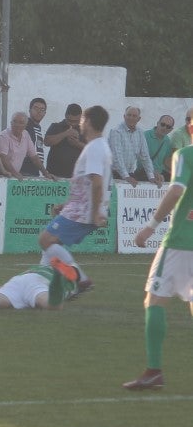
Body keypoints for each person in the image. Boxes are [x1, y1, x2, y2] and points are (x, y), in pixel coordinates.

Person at [125, 108, 193, 390]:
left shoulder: (186, 154)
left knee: (155, 300)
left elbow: (176, 190)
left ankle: (154, 370)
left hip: (181, 242)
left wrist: (150, 226)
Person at [37, 105, 112, 296]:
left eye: (82, 120)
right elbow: (86, 184)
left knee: (45, 239)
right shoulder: (97, 146)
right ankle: (42, 282)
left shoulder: (95, 147)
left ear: (88, 122)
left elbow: (97, 183)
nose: (80, 124)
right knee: (53, 244)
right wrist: (67, 205)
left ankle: (80, 279)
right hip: (80, 208)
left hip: (84, 211)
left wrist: (94, 213)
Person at [109, 105, 161, 187]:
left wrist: (151, 176)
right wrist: (126, 176)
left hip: (130, 174)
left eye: (134, 116)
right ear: (124, 116)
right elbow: (117, 156)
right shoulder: (116, 131)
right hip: (114, 174)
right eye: (129, 115)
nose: (131, 118)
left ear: (138, 119)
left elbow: (145, 156)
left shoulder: (140, 132)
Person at [0, 112, 51, 179]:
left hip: (13, 176)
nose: (17, 125)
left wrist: (45, 173)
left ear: (25, 125)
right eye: (14, 121)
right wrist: (15, 174)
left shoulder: (26, 134)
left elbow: (34, 157)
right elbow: (3, 157)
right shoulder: (4, 135)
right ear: (11, 123)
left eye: (21, 122)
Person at [44, 103, 84, 180]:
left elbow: (91, 149)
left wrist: (77, 144)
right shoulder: (55, 126)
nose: (72, 123)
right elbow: (46, 142)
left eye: (75, 121)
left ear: (80, 118)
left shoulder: (84, 131)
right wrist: (66, 133)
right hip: (54, 176)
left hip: (76, 178)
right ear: (65, 116)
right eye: (70, 121)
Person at [145, 115, 176, 182]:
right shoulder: (145, 136)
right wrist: (153, 172)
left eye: (168, 127)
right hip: (144, 172)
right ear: (157, 123)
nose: (164, 128)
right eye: (162, 124)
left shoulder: (167, 141)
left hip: (158, 174)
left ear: (171, 130)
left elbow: (165, 162)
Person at [23, 97, 49, 174]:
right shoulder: (26, 126)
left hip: (34, 171)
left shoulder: (37, 127)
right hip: (25, 171)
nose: (39, 111)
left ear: (45, 113)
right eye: (36, 108)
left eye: (42, 109)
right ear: (30, 110)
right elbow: (31, 153)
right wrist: (45, 172)